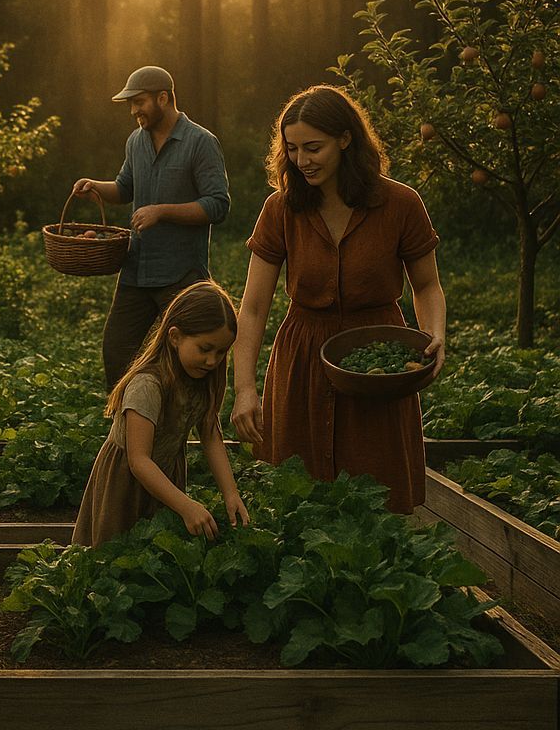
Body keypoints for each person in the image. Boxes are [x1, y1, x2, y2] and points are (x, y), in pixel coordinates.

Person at [231, 85, 446, 514]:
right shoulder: (281, 209)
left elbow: (426, 286)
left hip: (377, 358)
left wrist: (433, 336)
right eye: (292, 149)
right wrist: (244, 388)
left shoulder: (400, 203)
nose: (302, 160)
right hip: (302, 358)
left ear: (346, 139)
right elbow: (253, 307)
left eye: (314, 147)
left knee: (378, 489)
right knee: (299, 495)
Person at [73, 64, 231, 392]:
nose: (134, 110)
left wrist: (162, 212)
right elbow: (124, 188)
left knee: (190, 360)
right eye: (131, 104)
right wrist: (95, 187)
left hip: (182, 273)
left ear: (163, 98)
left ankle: (188, 427)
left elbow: (218, 205)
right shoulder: (136, 142)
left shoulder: (201, 142)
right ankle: (125, 425)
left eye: (139, 102)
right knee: (118, 353)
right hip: (138, 269)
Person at [73, 280, 250, 547]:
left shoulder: (202, 380)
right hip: (126, 484)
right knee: (116, 555)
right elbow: (139, 461)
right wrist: (186, 505)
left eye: (221, 352)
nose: (213, 361)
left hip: (166, 477)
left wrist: (231, 493)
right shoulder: (147, 385)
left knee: (155, 554)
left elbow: (211, 436)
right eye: (205, 349)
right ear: (175, 336)